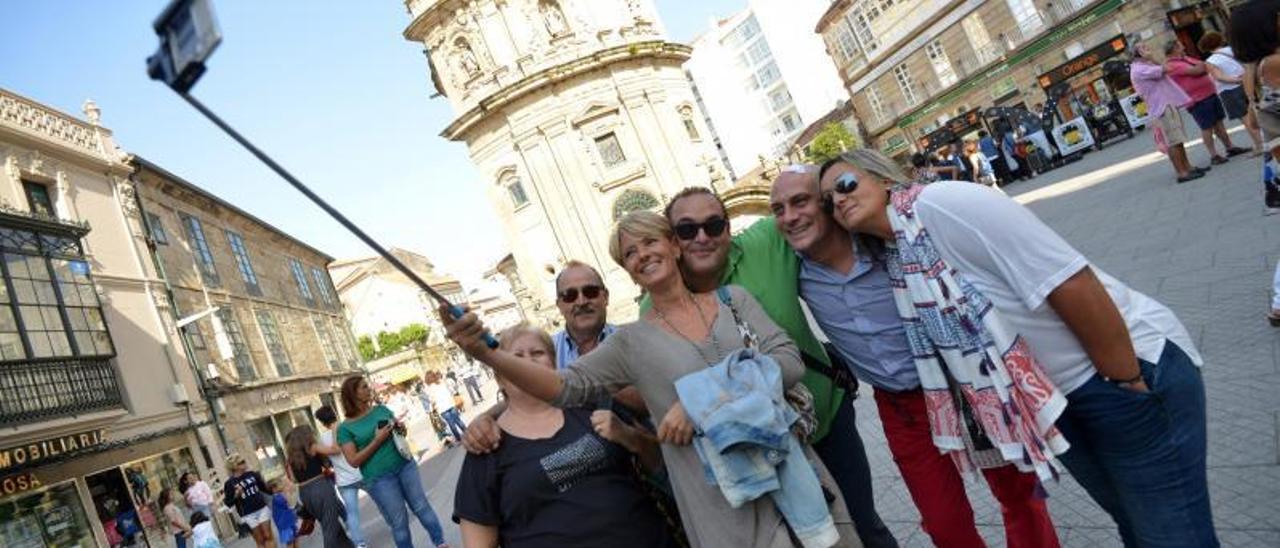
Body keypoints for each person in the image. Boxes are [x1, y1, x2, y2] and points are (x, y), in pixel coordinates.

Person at [816, 149, 1217, 547]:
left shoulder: (942, 204)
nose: (839, 199)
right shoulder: (898, 256)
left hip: (1121, 375)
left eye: (846, 184)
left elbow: (1070, 281)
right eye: (829, 200)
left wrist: (1127, 379)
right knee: (1135, 526)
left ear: (884, 178)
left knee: (1174, 537)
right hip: (1056, 402)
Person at [442, 210, 859, 548]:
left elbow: (788, 363)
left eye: (650, 242)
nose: (642, 254)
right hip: (719, 505)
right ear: (627, 270)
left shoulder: (733, 301)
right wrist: (486, 353)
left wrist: (700, 403)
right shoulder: (631, 342)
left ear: (675, 246)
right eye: (630, 253)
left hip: (793, 472)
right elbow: (562, 386)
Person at [772, 160, 1059, 548]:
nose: (790, 217)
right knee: (945, 525)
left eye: (801, 201)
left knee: (1020, 499)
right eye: (778, 209)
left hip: (963, 386)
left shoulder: (888, 241)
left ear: (827, 203)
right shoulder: (792, 268)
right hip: (902, 410)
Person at [660, 184, 896, 548]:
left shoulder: (767, 241)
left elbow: (817, 203)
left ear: (728, 226)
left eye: (714, 225)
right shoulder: (657, 308)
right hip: (754, 450)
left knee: (864, 528)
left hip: (824, 423)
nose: (702, 237)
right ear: (672, 239)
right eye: (687, 229)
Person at [453, 322, 680, 547]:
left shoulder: (593, 403)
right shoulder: (485, 445)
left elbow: (666, 464)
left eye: (537, 353)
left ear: (554, 364)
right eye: (516, 358)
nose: (528, 362)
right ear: (500, 378)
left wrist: (631, 438)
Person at [461, 261, 649, 454]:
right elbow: (526, 395)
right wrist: (484, 418)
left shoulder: (634, 341)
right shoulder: (545, 350)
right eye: (570, 295)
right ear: (559, 305)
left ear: (605, 297)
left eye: (590, 291)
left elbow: (656, 399)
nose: (581, 301)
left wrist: (582, 383)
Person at [337, 376, 449, 548]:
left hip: (405, 465)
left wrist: (400, 429)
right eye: (364, 387)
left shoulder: (381, 409)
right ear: (353, 394)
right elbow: (353, 461)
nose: (369, 389)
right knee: (399, 522)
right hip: (379, 478)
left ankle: (441, 543)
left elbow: (398, 434)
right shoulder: (345, 428)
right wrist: (377, 440)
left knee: (421, 507)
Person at [1131, 40, 1206, 183]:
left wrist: (1150, 59)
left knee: (1178, 140)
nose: (1147, 48)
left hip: (1166, 104)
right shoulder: (1140, 69)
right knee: (1174, 142)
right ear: (1137, 53)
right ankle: (1182, 173)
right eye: (1143, 48)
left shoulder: (1144, 66)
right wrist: (1151, 57)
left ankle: (1188, 167)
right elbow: (1167, 68)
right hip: (1162, 107)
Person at [1165, 38, 1250, 164]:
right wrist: (1201, 66)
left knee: (1219, 123)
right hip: (1197, 100)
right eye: (1180, 45)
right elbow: (1199, 69)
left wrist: (1202, 66)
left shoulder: (1186, 59)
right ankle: (1214, 155)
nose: (1183, 47)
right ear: (1174, 49)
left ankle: (1230, 147)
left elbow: (1204, 66)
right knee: (1207, 127)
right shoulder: (1172, 65)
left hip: (1209, 94)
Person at [285, 424, 356, 548]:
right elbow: (336, 450)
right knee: (330, 529)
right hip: (321, 488)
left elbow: (293, 480)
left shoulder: (291, 459)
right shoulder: (312, 447)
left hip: (305, 492)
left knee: (332, 526)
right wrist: (334, 431)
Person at [1201, 31, 1266, 155]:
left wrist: (1236, 80)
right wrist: (1245, 78)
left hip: (1229, 91)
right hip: (1248, 84)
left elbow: (1219, 77)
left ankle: (1260, 145)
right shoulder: (1233, 50)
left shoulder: (1210, 61)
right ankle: (1269, 138)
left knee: (1246, 117)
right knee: (1259, 111)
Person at [317, 405, 369, 548]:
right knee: (381, 500)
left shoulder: (322, 439)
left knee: (352, 514)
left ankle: (360, 544)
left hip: (344, 481)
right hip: (361, 473)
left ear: (321, 422)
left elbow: (326, 463)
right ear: (335, 413)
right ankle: (395, 523)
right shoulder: (348, 427)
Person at [222, 454, 275, 548]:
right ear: (235, 466)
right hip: (247, 514)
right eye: (241, 462)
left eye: (244, 461)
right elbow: (228, 502)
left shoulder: (252, 474)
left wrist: (276, 489)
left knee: (268, 536)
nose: (245, 463)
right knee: (260, 540)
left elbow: (264, 488)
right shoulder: (229, 483)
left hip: (261, 508)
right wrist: (236, 495)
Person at [427, 371, 467, 442]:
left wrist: (432, 408)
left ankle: (459, 438)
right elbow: (450, 392)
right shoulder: (441, 383)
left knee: (451, 424)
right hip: (450, 404)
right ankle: (467, 433)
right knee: (458, 420)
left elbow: (432, 400)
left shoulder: (430, 389)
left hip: (442, 408)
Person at [267, 480, 299, 548]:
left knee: (296, 538)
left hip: (289, 521)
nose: (282, 486)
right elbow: (289, 502)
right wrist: (288, 491)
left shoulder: (280, 495)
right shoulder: (276, 498)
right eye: (280, 484)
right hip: (284, 524)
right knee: (290, 541)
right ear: (274, 489)